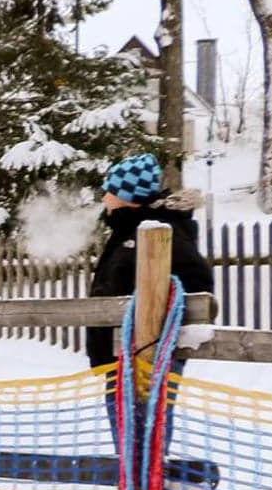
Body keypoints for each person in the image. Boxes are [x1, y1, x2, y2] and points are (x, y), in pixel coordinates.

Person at [86, 153, 214, 432]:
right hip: (120, 357)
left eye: (111, 191)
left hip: (146, 358)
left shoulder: (161, 231)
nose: (105, 198)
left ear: (128, 195)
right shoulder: (125, 231)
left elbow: (197, 283)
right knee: (130, 444)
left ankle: (151, 476)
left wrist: (154, 325)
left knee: (143, 441)